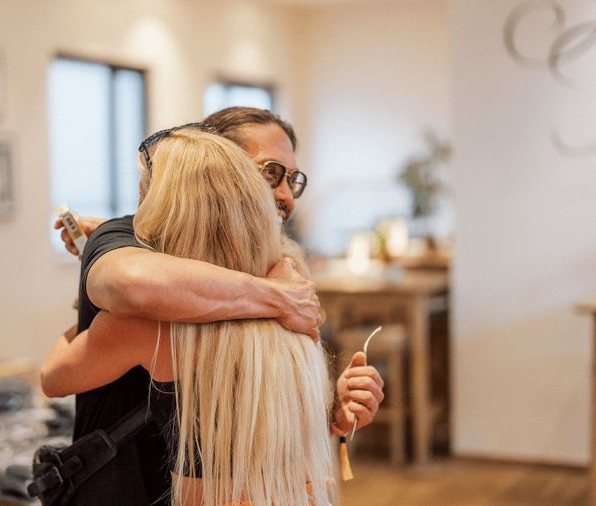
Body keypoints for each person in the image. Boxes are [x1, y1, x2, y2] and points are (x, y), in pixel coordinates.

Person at [49, 108, 383, 505]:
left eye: (292, 180)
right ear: (221, 170)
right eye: (271, 173)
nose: (287, 197)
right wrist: (275, 296)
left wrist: (331, 412)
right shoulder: (283, 284)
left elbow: (52, 379)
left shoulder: (281, 273)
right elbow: (129, 283)